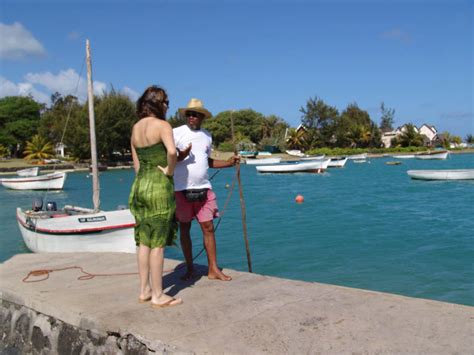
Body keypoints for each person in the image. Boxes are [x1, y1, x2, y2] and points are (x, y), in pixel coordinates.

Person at [173, 98, 240, 281]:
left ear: (202, 117)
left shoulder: (207, 136)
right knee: (184, 228)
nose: (192, 117)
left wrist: (228, 163)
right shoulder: (175, 133)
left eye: (195, 114)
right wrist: (181, 156)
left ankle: (213, 269)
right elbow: (168, 159)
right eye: (189, 114)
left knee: (208, 227)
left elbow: (207, 161)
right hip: (181, 189)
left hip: (204, 188)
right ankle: (189, 268)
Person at [128, 86, 183, 308]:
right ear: (158, 103)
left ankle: (144, 290)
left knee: (144, 241)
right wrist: (170, 171)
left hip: (141, 185)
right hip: (159, 187)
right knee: (158, 244)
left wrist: (145, 180)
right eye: (166, 102)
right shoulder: (162, 126)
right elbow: (171, 152)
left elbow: (136, 165)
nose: (168, 106)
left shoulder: (135, 128)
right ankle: (159, 295)